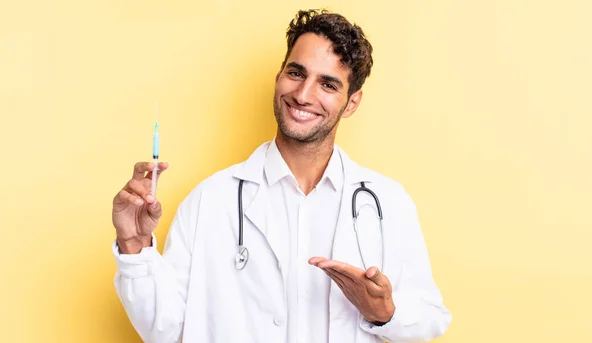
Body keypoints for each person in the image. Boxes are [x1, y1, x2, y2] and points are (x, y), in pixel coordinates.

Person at [112, 9, 451, 343]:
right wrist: (133, 245)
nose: (303, 95)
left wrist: (384, 312)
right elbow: (165, 330)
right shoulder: (210, 200)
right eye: (296, 73)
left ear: (351, 103)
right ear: (278, 76)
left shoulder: (387, 203)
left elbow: (431, 317)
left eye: (328, 84)